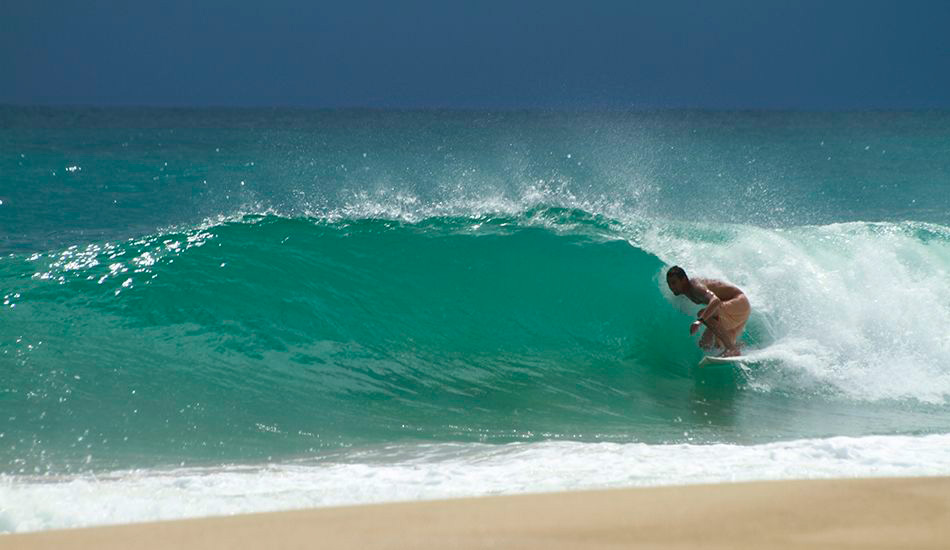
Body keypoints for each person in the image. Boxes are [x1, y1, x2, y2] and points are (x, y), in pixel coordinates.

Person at [665, 265, 750, 357]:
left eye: (674, 283)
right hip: (732, 309)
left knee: (702, 314)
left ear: (684, 280)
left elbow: (715, 301)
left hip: (739, 303)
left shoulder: (695, 286)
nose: (671, 287)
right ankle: (739, 346)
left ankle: (732, 349)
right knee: (705, 345)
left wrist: (699, 321)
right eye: (669, 283)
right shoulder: (685, 291)